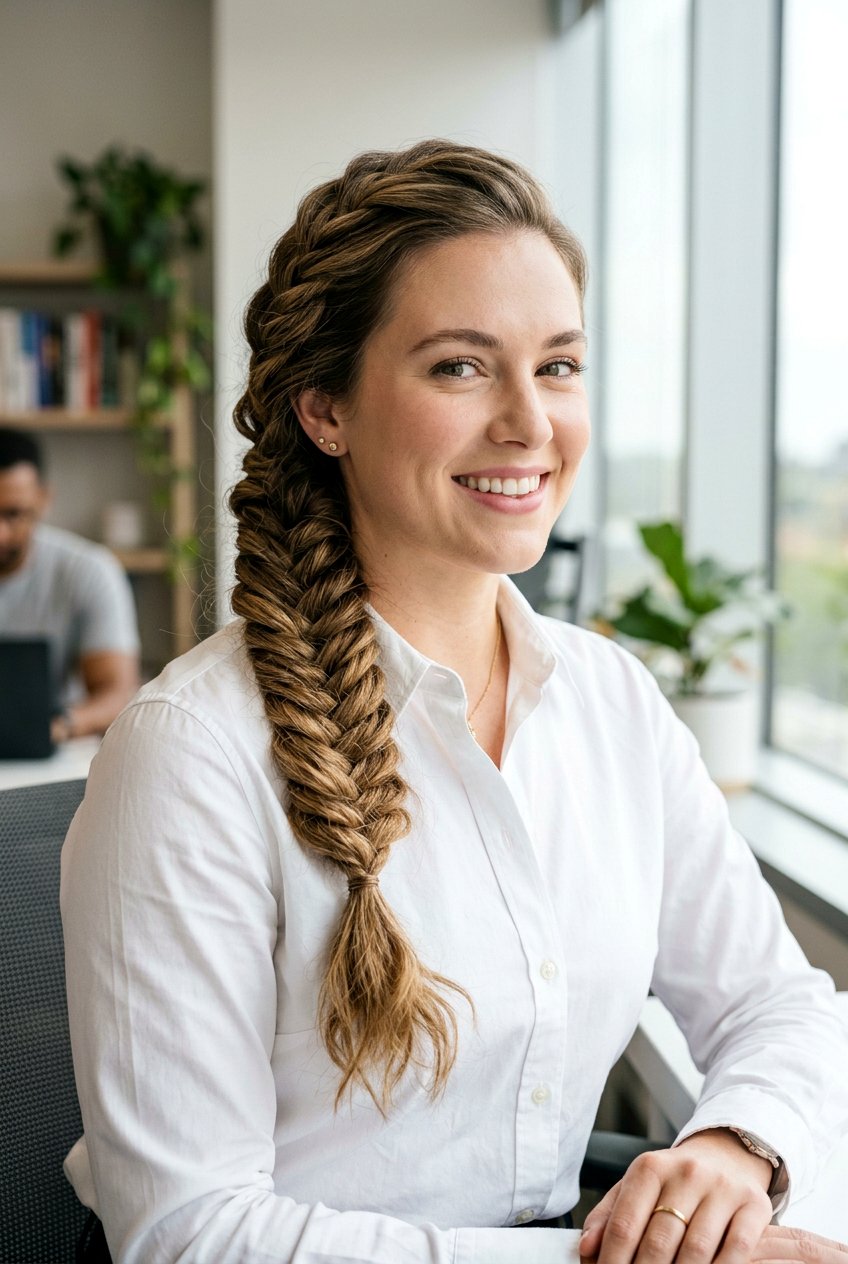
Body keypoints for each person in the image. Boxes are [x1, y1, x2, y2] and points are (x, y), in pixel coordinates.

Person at [60, 140, 848, 1264]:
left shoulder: (610, 702)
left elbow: (782, 1007)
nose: (530, 422)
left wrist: (735, 1149)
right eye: (459, 367)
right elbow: (190, 1235)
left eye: (559, 365)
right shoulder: (192, 752)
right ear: (323, 408)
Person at [0, 426, 140, 741]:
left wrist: (58, 725)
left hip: (49, 747)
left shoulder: (89, 570)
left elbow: (118, 691)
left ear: (43, 499)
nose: (1, 534)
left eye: (13, 514)